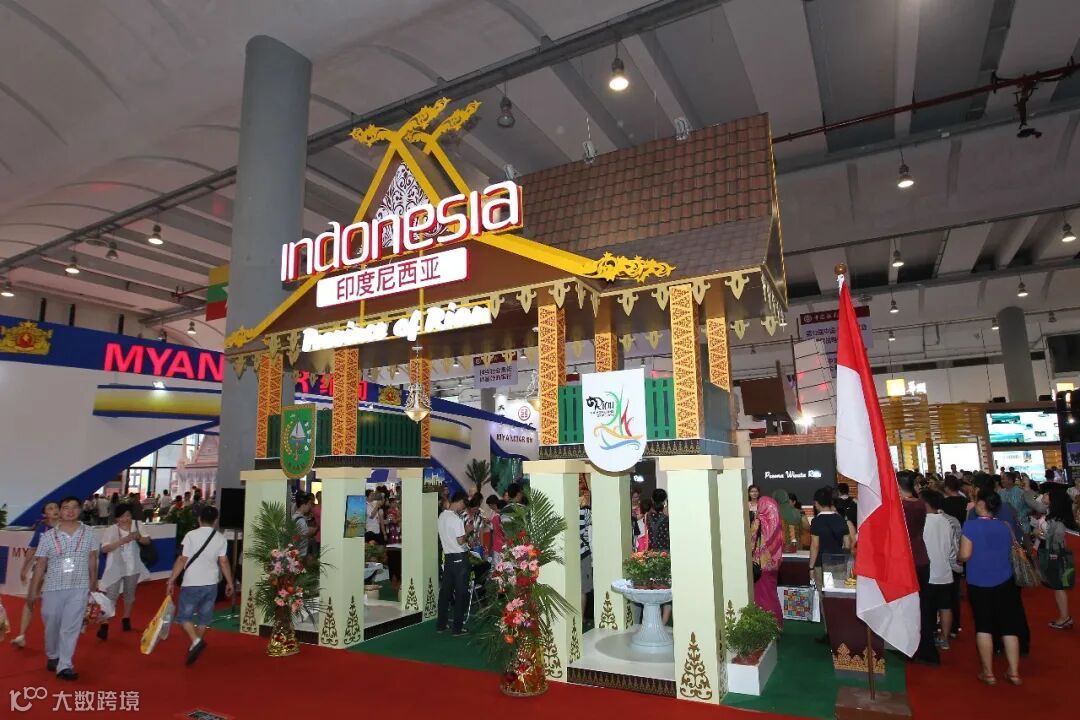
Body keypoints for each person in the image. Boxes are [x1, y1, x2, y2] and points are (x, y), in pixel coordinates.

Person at [26, 497, 100, 680]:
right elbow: (41, 564)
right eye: (66, 507)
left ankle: (65, 665)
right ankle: (53, 655)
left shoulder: (90, 533)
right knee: (51, 624)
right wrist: (33, 591)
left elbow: (92, 558)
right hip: (53, 587)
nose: (70, 511)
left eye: (74, 507)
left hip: (79, 586)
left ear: (80, 510)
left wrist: (93, 582)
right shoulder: (48, 536)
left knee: (71, 627)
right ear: (60, 511)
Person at [960, 491, 1025, 685]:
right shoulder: (1005, 526)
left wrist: (957, 556)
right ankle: (1014, 672)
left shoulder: (970, 526)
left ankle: (988, 673)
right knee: (1009, 627)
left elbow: (965, 554)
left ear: (981, 505)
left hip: (979, 581)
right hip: (1005, 580)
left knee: (984, 626)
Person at [166, 505, 232, 665]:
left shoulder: (190, 535)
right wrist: (229, 581)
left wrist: (171, 580)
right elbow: (223, 561)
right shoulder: (221, 538)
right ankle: (195, 644)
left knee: (184, 617)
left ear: (199, 519)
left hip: (192, 582)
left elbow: (182, 559)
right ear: (215, 521)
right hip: (211, 583)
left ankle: (195, 641)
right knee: (204, 618)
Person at [898, 470, 939, 665]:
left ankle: (912, 648)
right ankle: (927, 647)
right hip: (921, 557)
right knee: (923, 605)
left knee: (908, 608)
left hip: (907, 560)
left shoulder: (901, 507)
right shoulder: (921, 504)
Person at [96, 504, 151, 640]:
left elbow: (147, 541)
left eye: (128, 515)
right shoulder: (111, 530)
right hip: (114, 567)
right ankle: (104, 624)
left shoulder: (137, 525)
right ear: (116, 518)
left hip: (133, 567)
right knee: (111, 596)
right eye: (121, 516)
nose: (125, 519)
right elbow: (104, 549)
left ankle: (126, 618)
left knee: (129, 594)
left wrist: (138, 537)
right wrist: (121, 541)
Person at [11, 500, 60, 648]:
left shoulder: (67, 527)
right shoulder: (41, 528)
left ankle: (58, 636)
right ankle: (21, 635)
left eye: (56, 507)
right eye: (50, 508)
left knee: (56, 603)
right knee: (30, 599)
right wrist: (24, 568)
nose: (54, 510)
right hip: (40, 568)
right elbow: (32, 549)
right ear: (45, 514)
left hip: (60, 571)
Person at [921, 490, 958, 649]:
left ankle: (927, 639)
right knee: (945, 606)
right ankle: (944, 638)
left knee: (926, 608)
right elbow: (953, 548)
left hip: (927, 572)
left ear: (925, 503)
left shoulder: (921, 522)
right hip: (945, 571)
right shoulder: (947, 521)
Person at [1036, 486, 1074, 629]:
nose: (1044, 495)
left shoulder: (1057, 520)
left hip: (1055, 555)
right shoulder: (1051, 514)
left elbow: (1056, 540)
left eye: (1047, 494)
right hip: (1053, 553)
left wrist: (1039, 534)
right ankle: (1064, 617)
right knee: (1057, 587)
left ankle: (1064, 617)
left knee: (1058, 587)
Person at [436, 491, 469, 635]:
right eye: (464, 505)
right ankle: (457, 628)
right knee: (461, 594)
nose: (463, 508)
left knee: (445, 593)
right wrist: (467, 531)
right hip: (460, 559)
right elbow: (460, 541)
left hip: (448, 558)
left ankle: (441, 625)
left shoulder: (442, 516)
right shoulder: (456, 519)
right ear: (460, 502)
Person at [752, 494, 784, 626]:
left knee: (762, 598)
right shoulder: (777, 524)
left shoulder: (758, 522)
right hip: (774, 565)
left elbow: (751, 542)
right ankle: (777, 624)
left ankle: (767, 627)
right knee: (771, 595)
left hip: (760, 566)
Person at [647, 489, 671, 625]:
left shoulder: (647, 516)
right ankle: (663, 622)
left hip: (652, 555)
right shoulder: (667, 518)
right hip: (666, 554)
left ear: (652, 499)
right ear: (664, 501)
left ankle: (654, 621)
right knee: (666, 587)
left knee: (654, 588)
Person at [292, 492, 316, 558]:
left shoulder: (295, 516)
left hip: (297, 551)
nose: (310, 506)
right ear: (303, 505)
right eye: (309, 504)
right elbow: (303, 534)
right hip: (301, 552)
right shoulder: (300, 519)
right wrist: (312, 531)